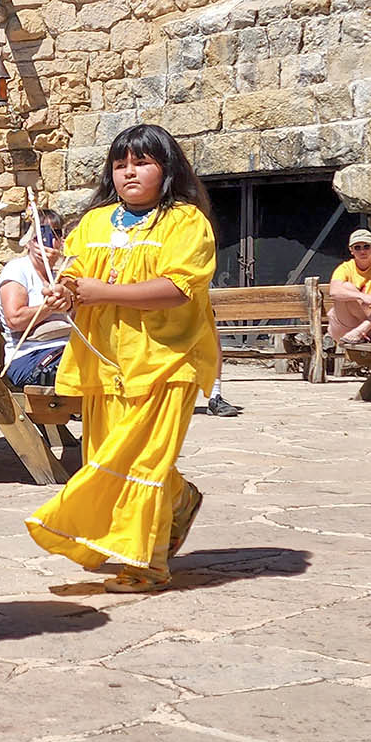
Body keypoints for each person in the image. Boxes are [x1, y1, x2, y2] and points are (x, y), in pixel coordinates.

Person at [25, 125, 217, 593]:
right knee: (110, 457)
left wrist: (97, 291)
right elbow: (76, 285)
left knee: (143, 463)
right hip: (106, 364)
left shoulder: (186, 222)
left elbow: (177, 290)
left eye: (142, 162)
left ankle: (147, 565)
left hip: (167, 360)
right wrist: (60, 284)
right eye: (120, 164)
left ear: (166, 169)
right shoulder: (93, 224)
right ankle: (181, 500)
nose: (129, 172)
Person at [0, 208, 72, 389]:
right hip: (30, 356)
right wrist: (49, 306)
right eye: (39, 236)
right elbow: (15, 319)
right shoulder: (18, 269)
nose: (48, 242)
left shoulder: (60, 274)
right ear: (28, 242)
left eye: (55, 234)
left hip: (67, 349)